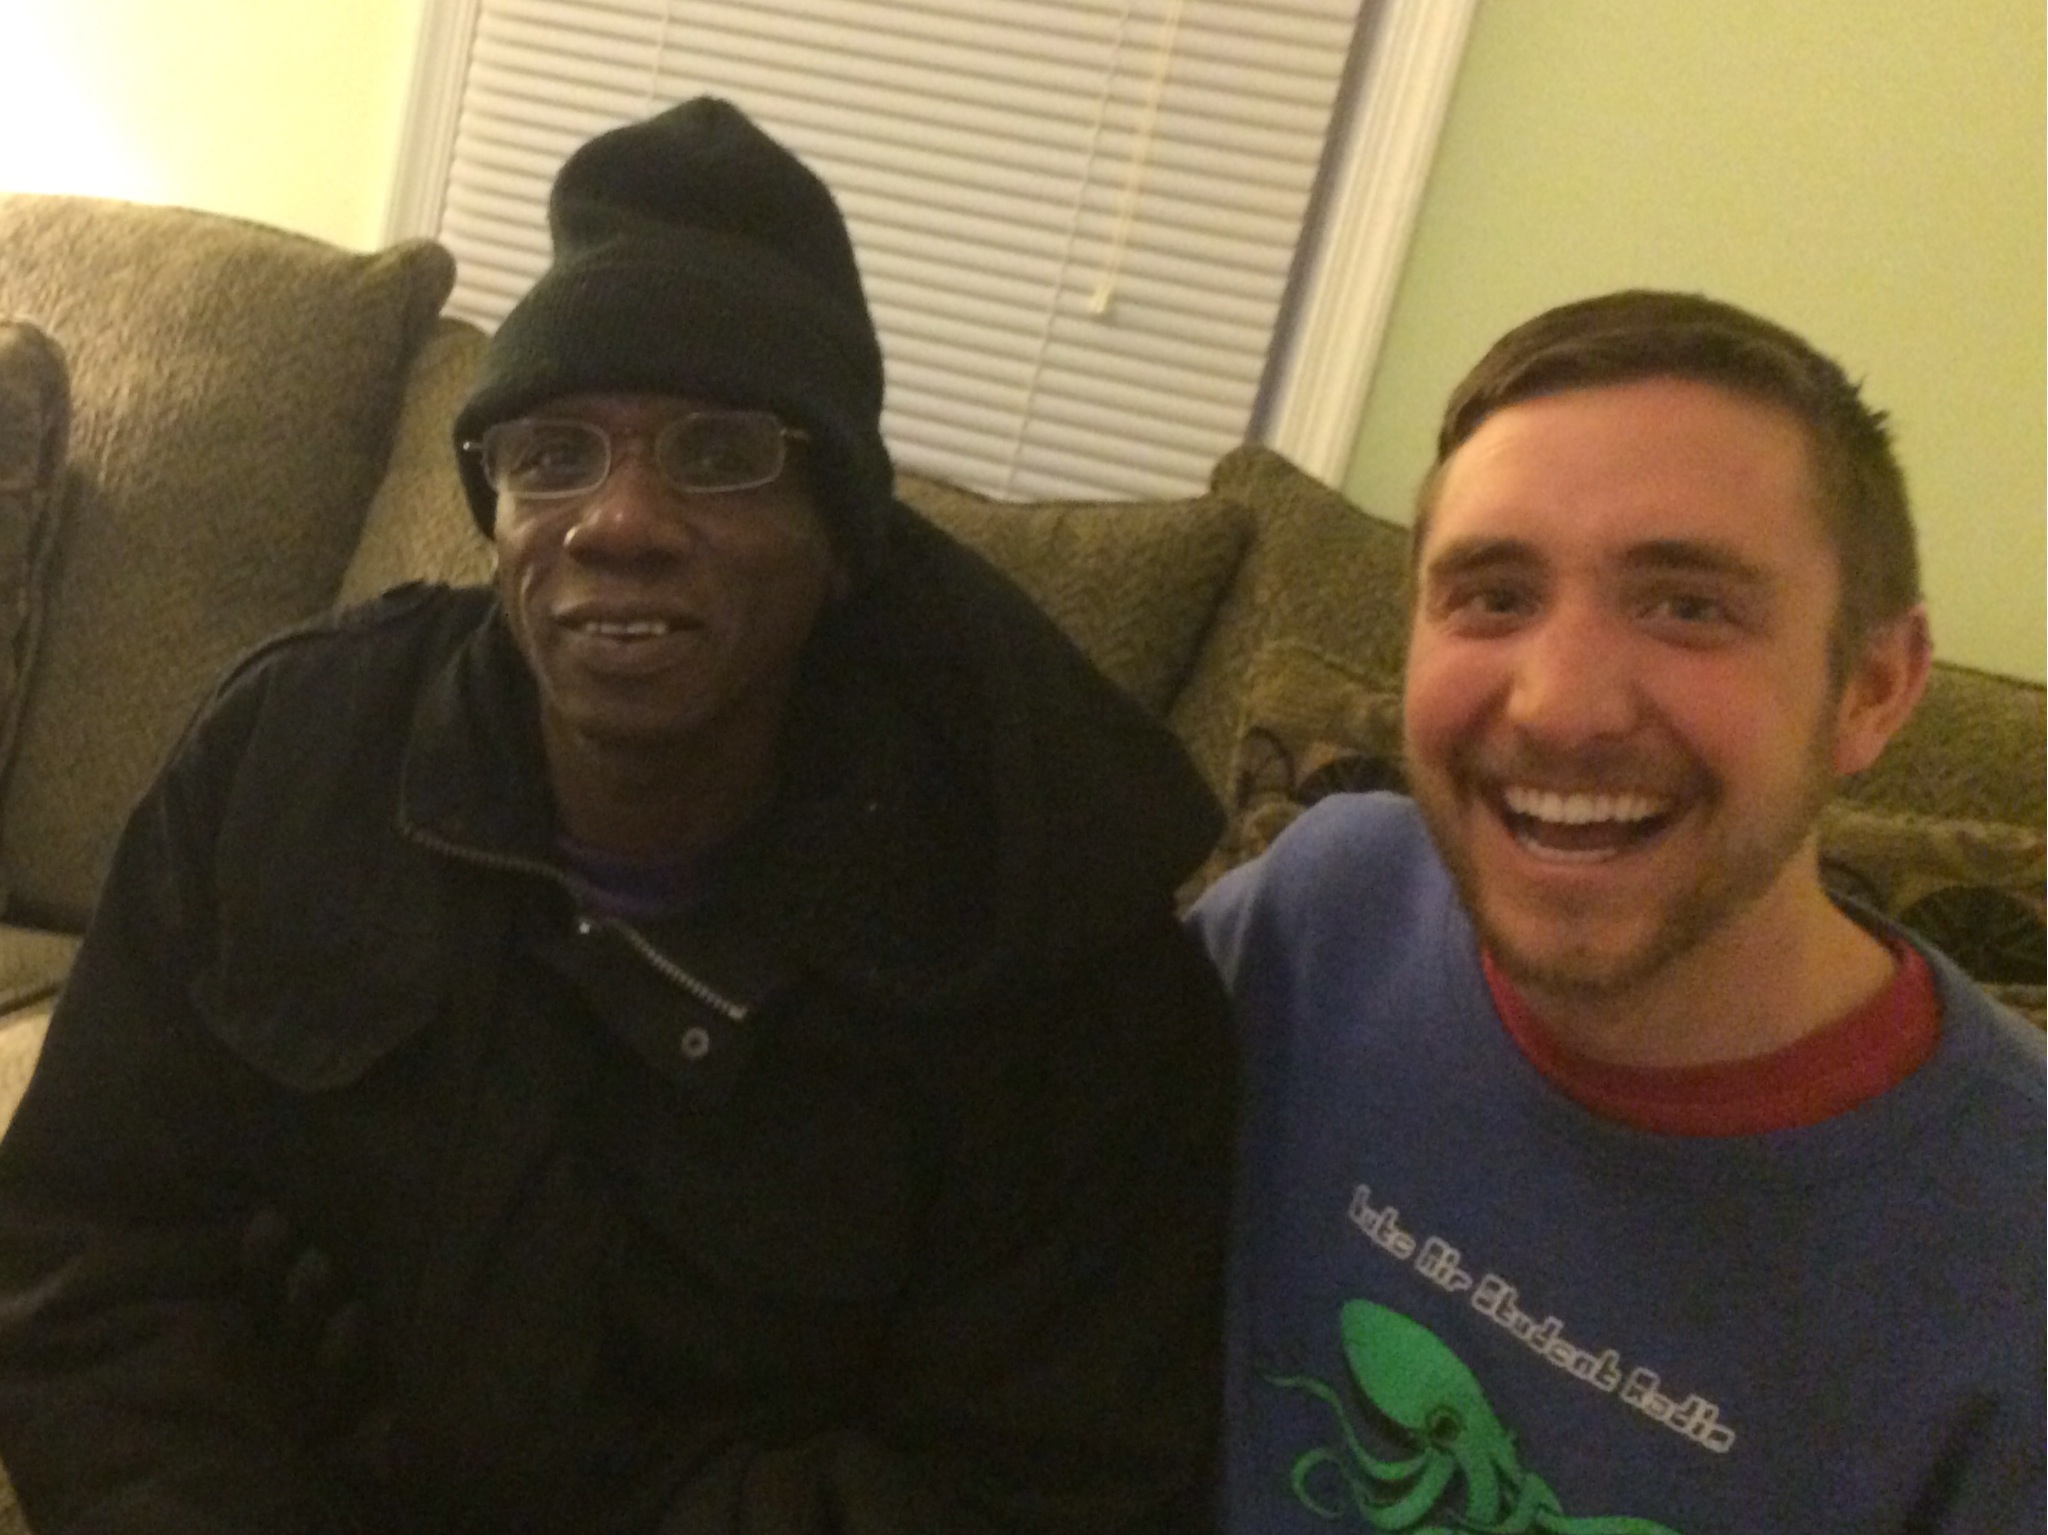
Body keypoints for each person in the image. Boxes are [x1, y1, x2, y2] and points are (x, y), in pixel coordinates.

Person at [0, 98, 1236, 1533]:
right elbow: (82, 1245)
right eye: (553, 452)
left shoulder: (1050, 922)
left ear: (841, 531)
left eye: (718, 453)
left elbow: (1040, 1478)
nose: (618, 519)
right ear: (498, 511)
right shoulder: (288, 757)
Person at [1189, 290, 2044, 1532]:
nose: (1557, 704)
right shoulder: (1320, 911)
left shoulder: (2007, 1267)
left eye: (1685, 605)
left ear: (1870, 687)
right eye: (1489, 593)